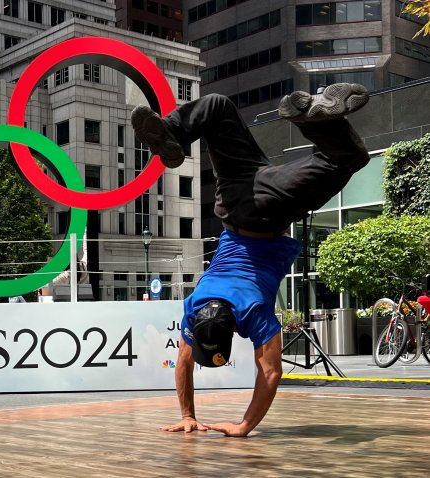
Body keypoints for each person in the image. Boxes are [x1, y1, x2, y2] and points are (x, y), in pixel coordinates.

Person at [131, 83, 370, 437]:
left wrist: (244, 425)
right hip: (239, 191)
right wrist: (186, 413)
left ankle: (317, 121)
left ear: (232, 331)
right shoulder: (196, 305)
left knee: (350, 158)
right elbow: (182, 362)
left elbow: (271, 372)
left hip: (270, 214)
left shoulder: (253, 310)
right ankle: (173, 133)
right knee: (217, 106)